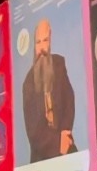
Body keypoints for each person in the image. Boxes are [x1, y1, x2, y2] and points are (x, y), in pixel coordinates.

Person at [21, 18, 77, 162]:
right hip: (42, 155)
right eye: (38, 42)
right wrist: (58, 143)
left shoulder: (59, 64)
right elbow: (33, 132)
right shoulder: (28, 83)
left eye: (45, 40)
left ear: (50, 41)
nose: (41, 48)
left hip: (66, 145)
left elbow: (69, 100)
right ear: (34, 46)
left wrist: (65, 134)